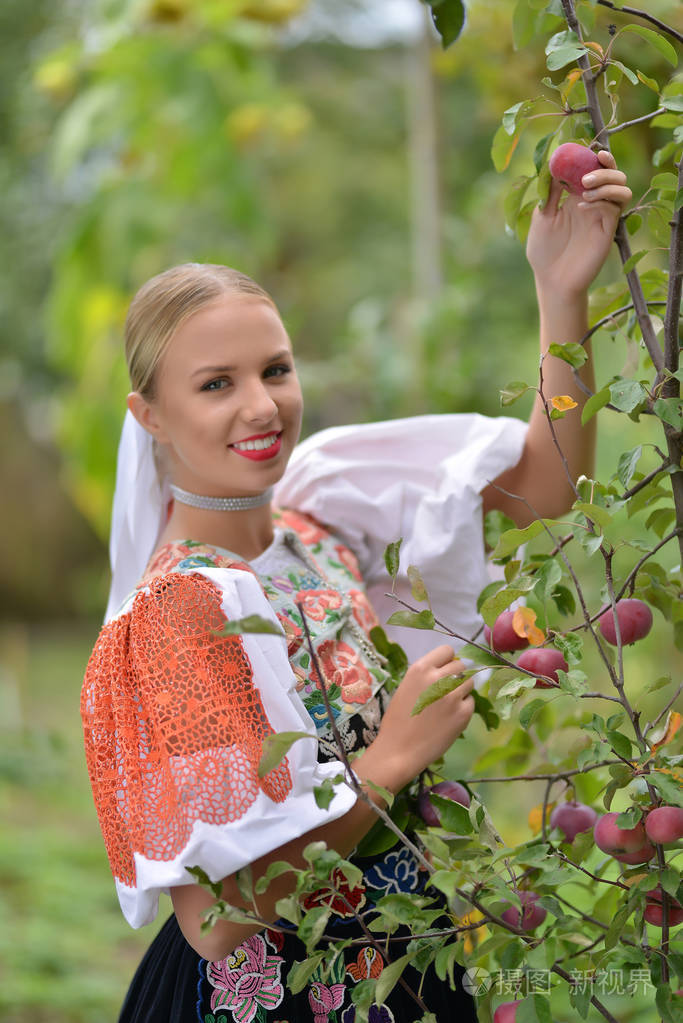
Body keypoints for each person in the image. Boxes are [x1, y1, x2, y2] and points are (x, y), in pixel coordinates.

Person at [81, 152, 631, 1023]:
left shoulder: (320, 523)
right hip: (277, 995)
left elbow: (545, 486)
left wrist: (560, 291)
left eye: (275, 369)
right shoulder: (179, 613)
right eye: (216, 384)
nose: (262, 406)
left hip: (406, 953)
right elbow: (219, 921)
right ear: (150, 415)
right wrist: (390, 760)